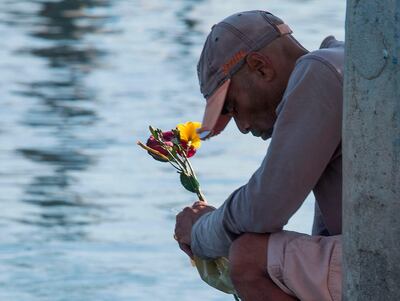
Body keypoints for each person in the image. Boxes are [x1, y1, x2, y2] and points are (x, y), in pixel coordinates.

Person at [174, 10, 343, 301]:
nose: (242, 127)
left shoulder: (319, 73)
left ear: (260, 67)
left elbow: (264, 208)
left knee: (249, 257)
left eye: (233, 107)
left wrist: (201, 234)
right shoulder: (338, 59)